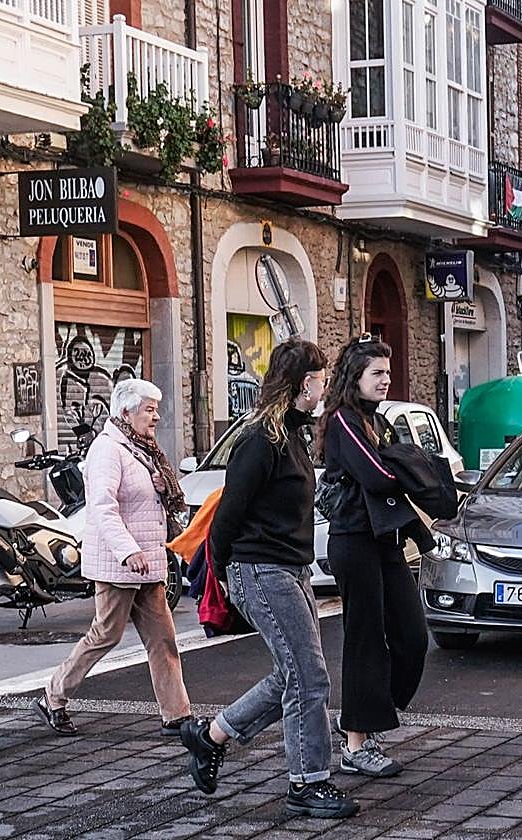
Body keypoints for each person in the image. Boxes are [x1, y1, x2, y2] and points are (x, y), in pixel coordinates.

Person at [179, 338, 359, 820]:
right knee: (309, 677)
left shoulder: (293, 434)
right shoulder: (260, 440)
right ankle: (308, 782)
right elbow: (227, 517)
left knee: (293, 674)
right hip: (261, 569)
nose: (325, 386)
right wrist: (224, 576)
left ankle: (210, 736)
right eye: (320, 378)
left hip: (291, 569)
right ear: (303, 384)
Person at [35, 378, 191, 737]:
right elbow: (103, 508)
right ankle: (52, 697)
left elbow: (147, 499)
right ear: (126, 412)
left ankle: (176, 715)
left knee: (163, 640)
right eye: (149, 410)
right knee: (105, 635)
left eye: (156, 410)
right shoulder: (108, 450)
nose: (156, 417)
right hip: (119, 564)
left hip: (148, 563)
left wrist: (163, 487)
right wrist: (128, 551)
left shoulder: (142, 448)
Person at [316, 337, 430, 778]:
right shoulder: (344, 420)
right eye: (377, 373)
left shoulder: (377, 421)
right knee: (364, 639)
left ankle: (369, 713)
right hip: (354, 541)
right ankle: (356, 742)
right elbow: (380, 476)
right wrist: (414, 470)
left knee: (412, 636)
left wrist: (410, 472)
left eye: (387, 372)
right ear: (355, 377)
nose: (386, 380)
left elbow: (395, 472)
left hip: (385, 540)